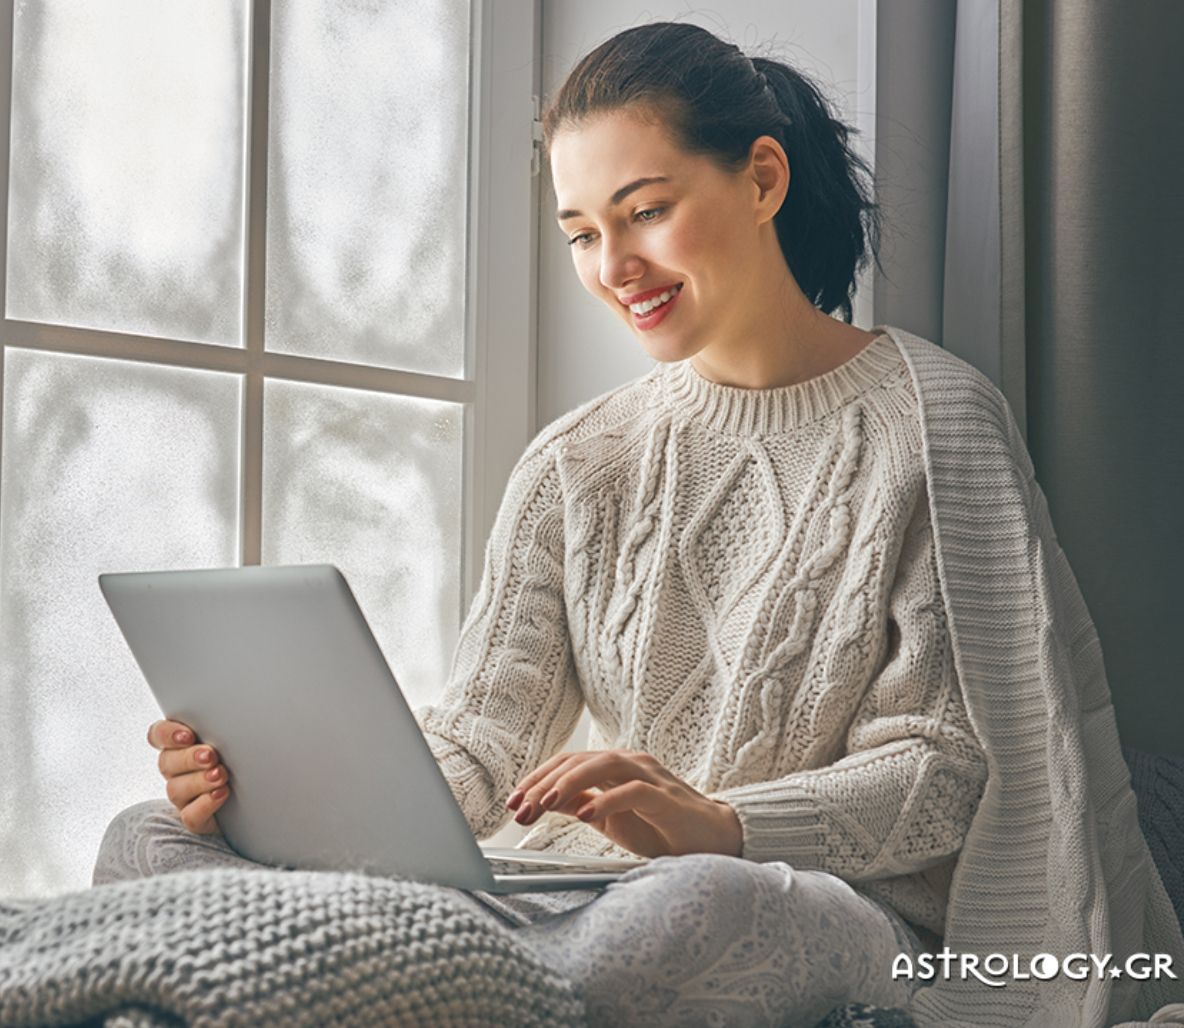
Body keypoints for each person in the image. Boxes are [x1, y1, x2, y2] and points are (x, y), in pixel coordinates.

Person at [93, 20, 985, 1027]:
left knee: (690, 912)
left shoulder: (934, 422)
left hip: (796, 900)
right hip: (563, 891)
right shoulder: (576, 458)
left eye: (644, 211)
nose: (615, 266)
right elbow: (484, 731)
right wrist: (281, 790)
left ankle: (397, 978)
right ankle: (433, 974)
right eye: (580, 233)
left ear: (763, 178)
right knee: (146, 840)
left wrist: (725, 822)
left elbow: (946, 769)